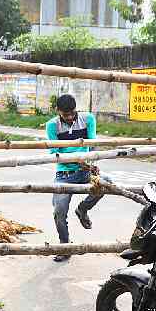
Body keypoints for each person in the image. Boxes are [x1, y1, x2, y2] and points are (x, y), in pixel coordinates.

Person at [47, 94, 109, 262]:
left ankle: (83, 209)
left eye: (72, 113)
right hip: (64, 174)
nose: (69, 117)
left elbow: (92, 143)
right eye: (65, 114)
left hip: (85, 170)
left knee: (107, 183)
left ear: (76, 109)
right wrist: (77, 158)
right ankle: (65, 246)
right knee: (59, 211)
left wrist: (91, 161)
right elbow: (55, 152)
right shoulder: (52, 125)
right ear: (58, 111)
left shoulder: (88, 119)